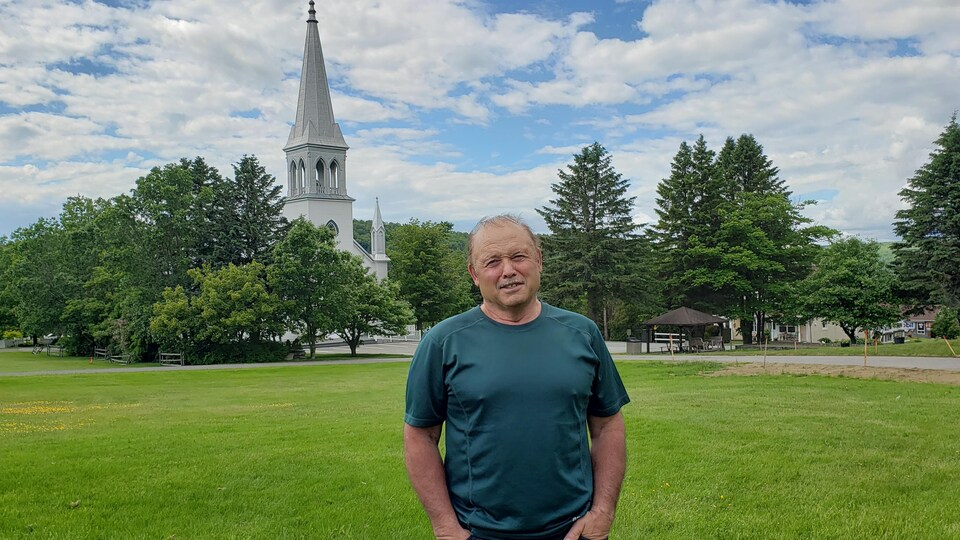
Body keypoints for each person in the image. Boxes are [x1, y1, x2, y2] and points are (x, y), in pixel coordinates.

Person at [403, 214, 630, 540]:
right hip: (479, 532)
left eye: (518, 256)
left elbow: (608, 425)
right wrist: (445, 527)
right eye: (492, 261)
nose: (508, 270)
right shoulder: (443, 342)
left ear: (538, 261)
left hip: (574, 530)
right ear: (474, 274)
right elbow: (420, 437)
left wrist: (603, 513)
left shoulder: (582, 333)